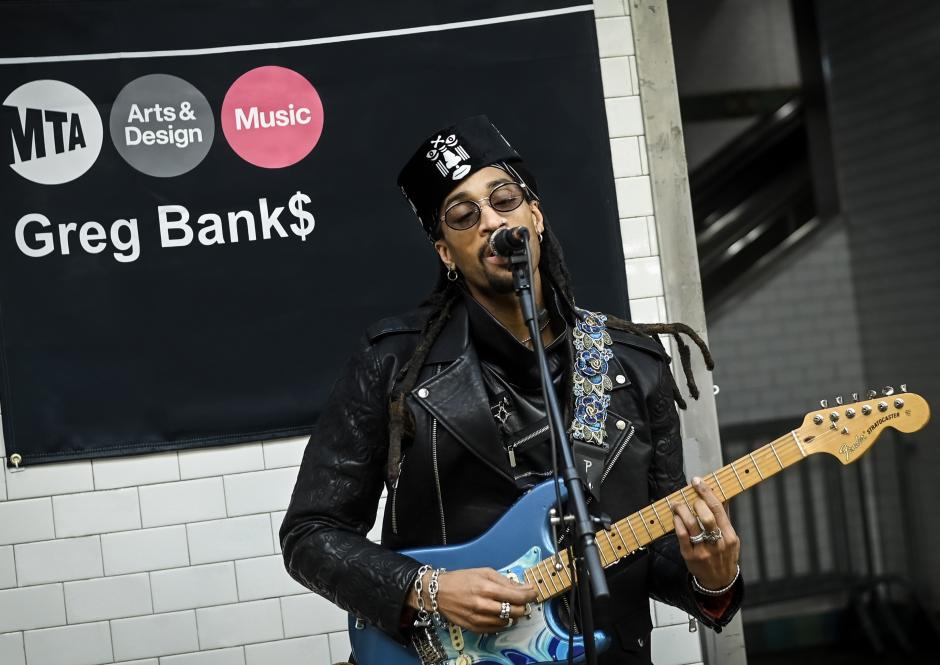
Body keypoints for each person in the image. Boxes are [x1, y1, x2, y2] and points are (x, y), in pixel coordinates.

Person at [281, 115, 742, 664]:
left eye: (503, 198)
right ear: (446, 252)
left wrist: (712, 577)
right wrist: (428, 589)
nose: (490, 220)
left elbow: (654, 548)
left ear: (536, 216)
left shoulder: (633, 364)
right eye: (462, 214)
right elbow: (311, 533)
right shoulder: (393, 364)